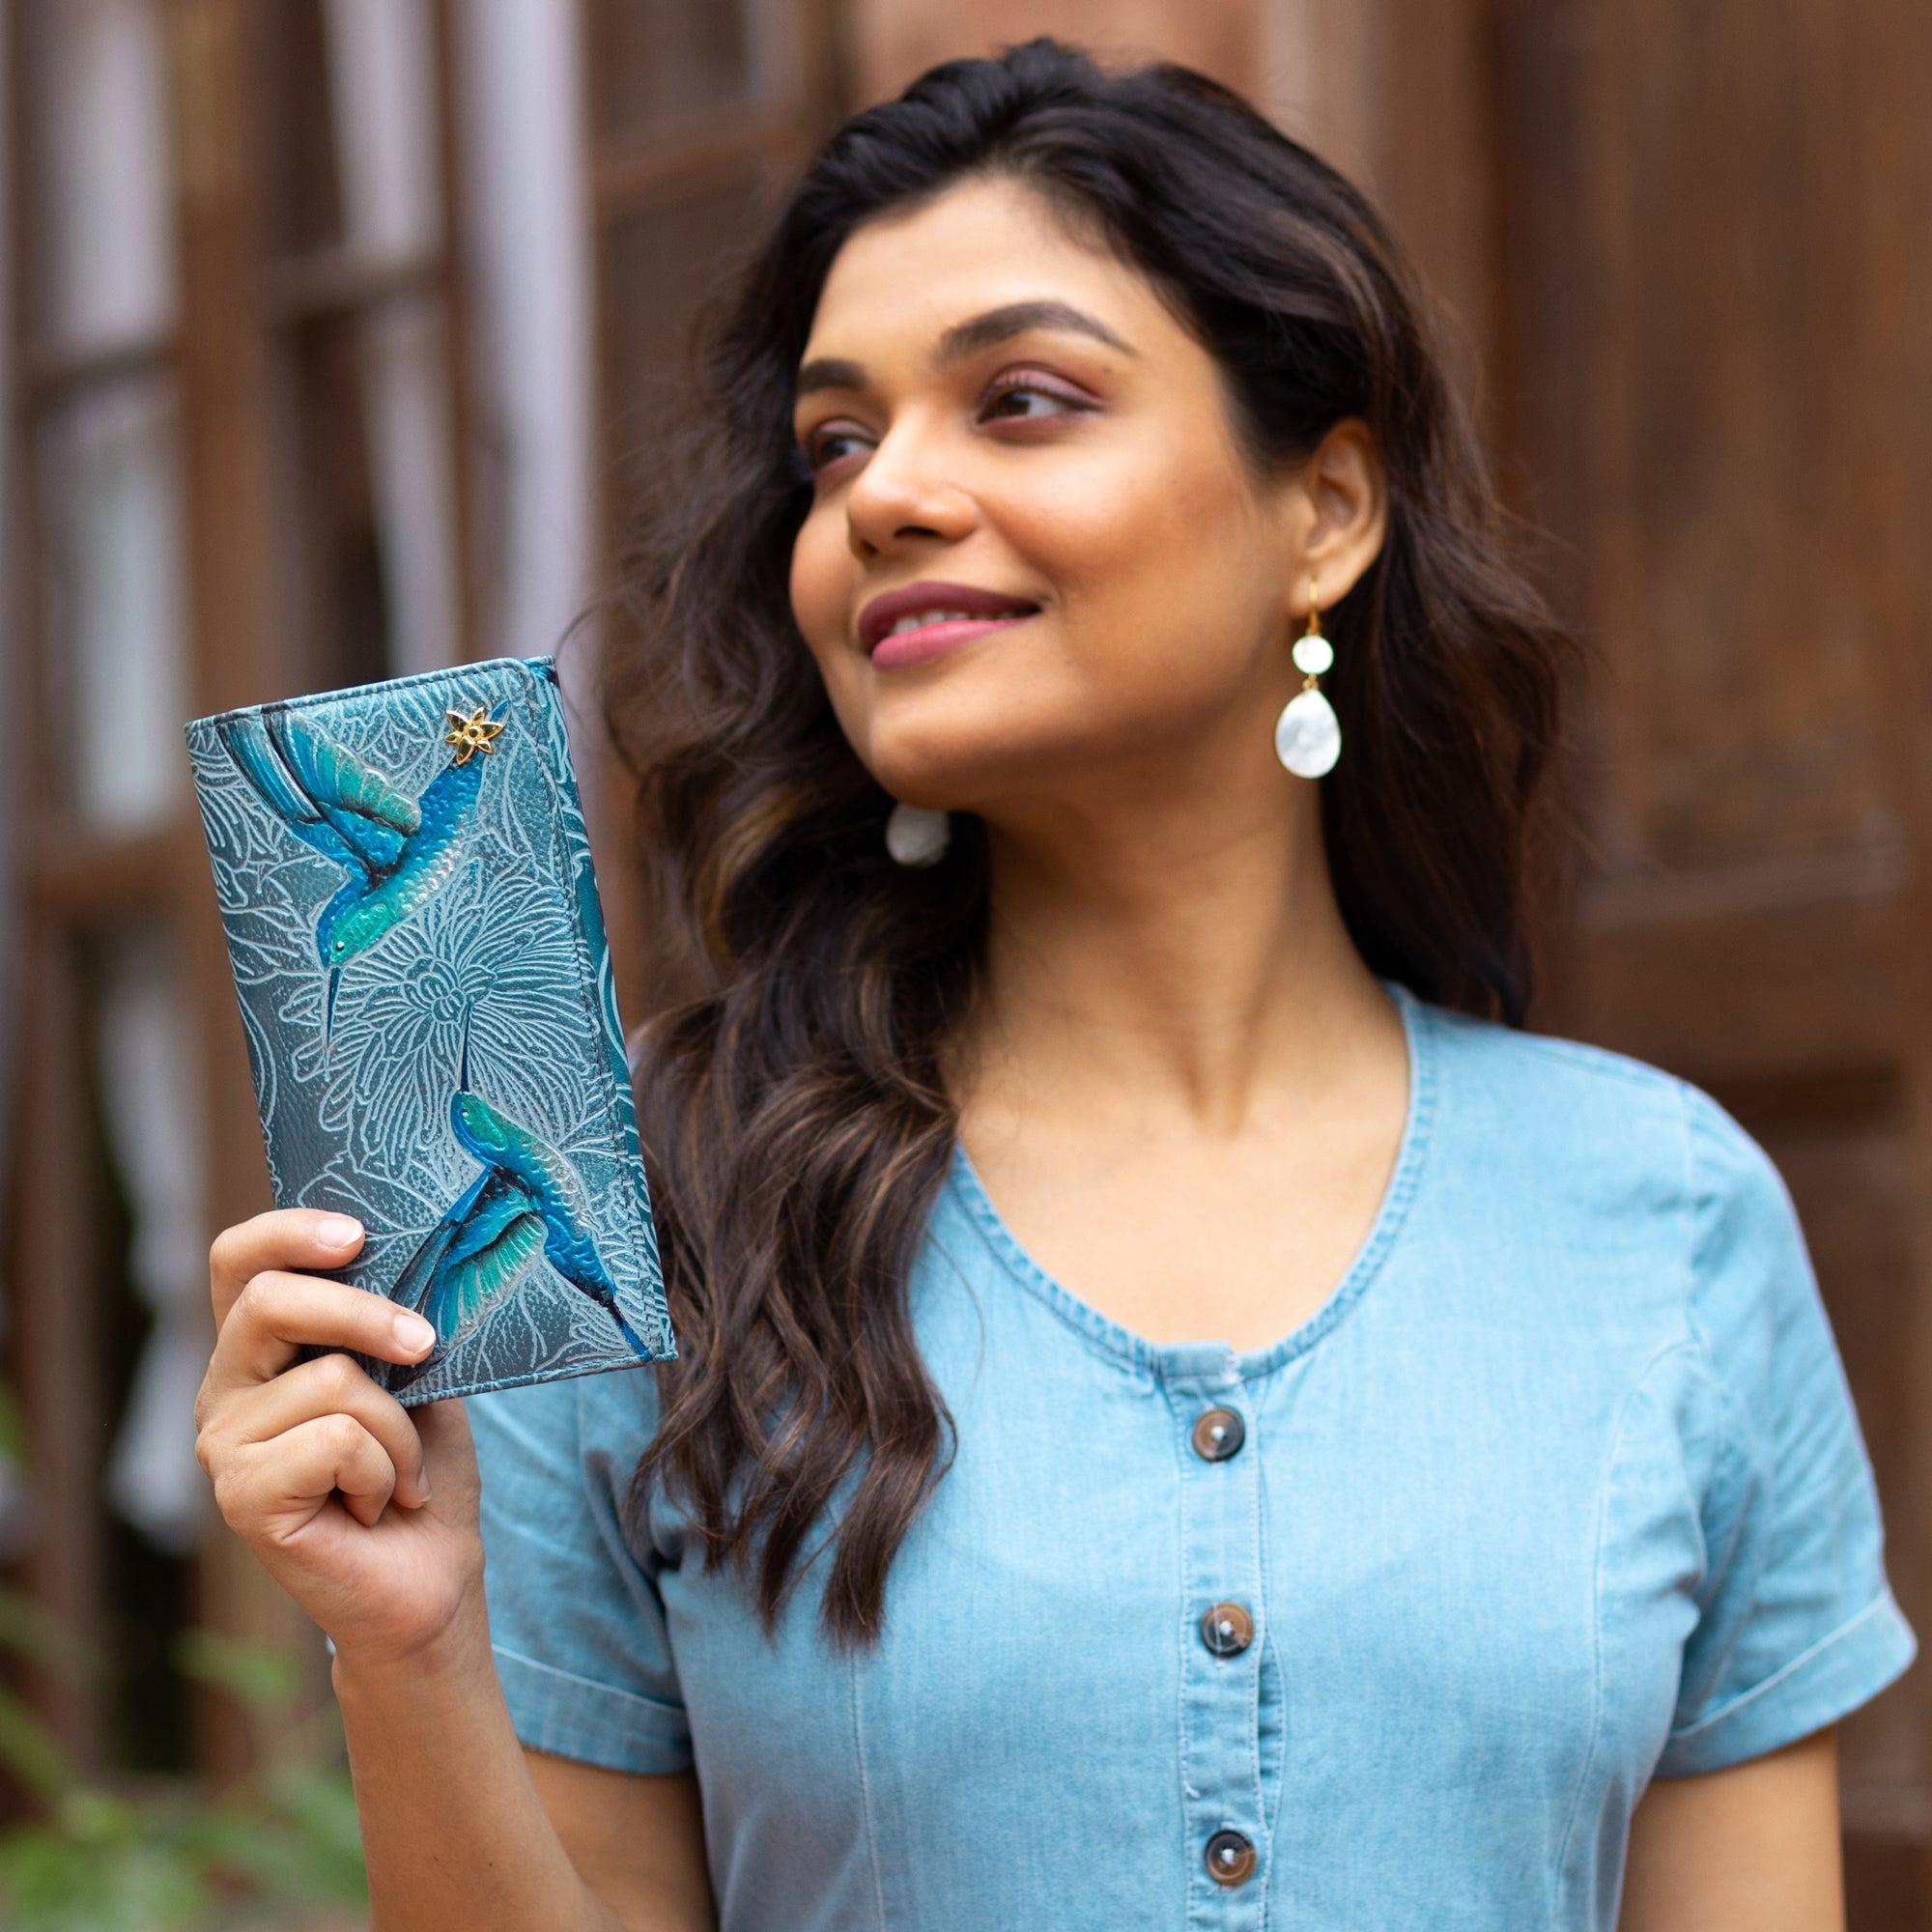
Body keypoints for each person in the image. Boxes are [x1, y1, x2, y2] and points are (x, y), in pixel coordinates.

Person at [192, 41, 1912, 1931]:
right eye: (835, 444)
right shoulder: (646, 1228)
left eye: (1019, 402)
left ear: (1324, 509)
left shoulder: (1662, 1224)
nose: (884, 497)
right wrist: (412, 1645)